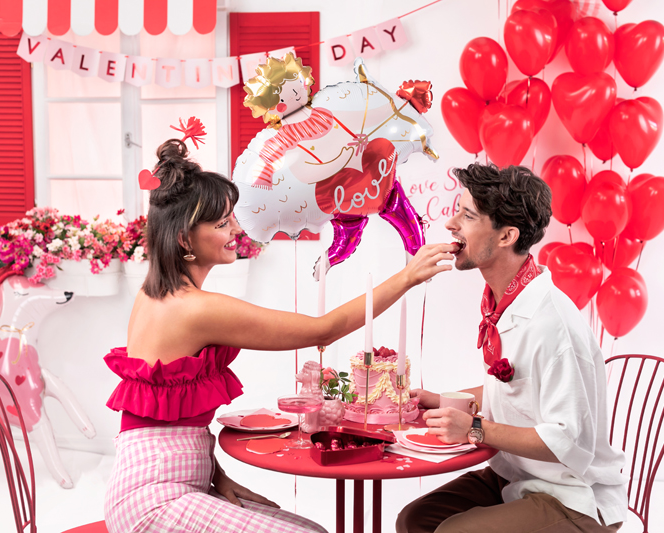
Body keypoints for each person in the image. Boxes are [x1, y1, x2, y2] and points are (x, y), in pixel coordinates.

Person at [102, 139, 454, 533]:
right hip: (153, 500)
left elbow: (165, 421)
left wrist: (217, 479)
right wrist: (408, 276)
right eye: (221, 224)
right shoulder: (195, 308)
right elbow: (324, 330)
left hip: (177, 485)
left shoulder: (156, 295)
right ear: (185, 239)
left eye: (231, 217)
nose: (236, 228)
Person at [397, 163, 627, 533]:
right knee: (415, 520)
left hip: (573, 496)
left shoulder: (551, 323)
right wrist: (439, 399)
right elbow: (516, 392)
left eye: (467, 215)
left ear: (506, 236)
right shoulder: (506, 301)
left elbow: (567, 440)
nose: (451, 224)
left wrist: (474, 429)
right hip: (517, 476)